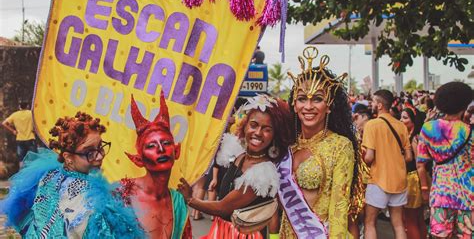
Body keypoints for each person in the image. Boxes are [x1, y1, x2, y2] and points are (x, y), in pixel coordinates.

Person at [0, 112, 143, 238]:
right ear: (68, 157)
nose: (99, 156)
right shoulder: (92, 197)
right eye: (89, 152)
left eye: (100, 147)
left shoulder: (49, 175)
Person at [178, 94, 293, 238]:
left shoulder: (263, 173)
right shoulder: (240, 155)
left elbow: (223, 208)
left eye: (266, 129)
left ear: (274, 136)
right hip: (224, 229)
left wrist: (190, 199)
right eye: (254, 125)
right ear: (244, 126)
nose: (258, 133)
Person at [278, 47, 357, 238]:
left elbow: (339, 208)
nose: (308, 106)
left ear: (329, 106)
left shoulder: (341, 145)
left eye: (318, 99)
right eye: (302, 99)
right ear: (294, 104)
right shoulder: (287, 143)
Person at [118, 94, 192, 239]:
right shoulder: (122, 193)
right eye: (151, 146)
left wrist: (191, 201)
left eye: (166, 143)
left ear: (176, 151)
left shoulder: (177, 201)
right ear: (138, 159)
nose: (160, 149)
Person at [416, 82, 473, 239]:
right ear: (464, 104)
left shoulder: (428, 128)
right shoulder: (470, 131)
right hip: (469, 197)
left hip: (441, 194)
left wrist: (425, 189)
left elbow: (421, 164)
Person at [363, 89, 413, 239]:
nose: (371, 104)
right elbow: (409, 157)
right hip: (399, 181)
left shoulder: (372, 125)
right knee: (398, 224)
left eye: (373, 102)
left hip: (378, 180)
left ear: (379, 105)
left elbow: (369, 157)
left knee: (370, 223)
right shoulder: (401, 125)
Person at [400, 106, 427, 239]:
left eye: (405, 118)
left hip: (413, 180)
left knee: (410, 219)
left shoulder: (415, 138)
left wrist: (424, 187)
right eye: (401, 117)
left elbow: (419, 164)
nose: (401, 120)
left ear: (413, 121)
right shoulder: (410, 136)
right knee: (418, 218)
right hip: (415, 179)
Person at [348, 107, 372, 238]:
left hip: (363, 179)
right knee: (355, 216)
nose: (356, 121)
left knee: (357, 216)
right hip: (358, 178)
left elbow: (368, 157)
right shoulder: (354, 131)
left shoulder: (369, 130)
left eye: (358, 118)